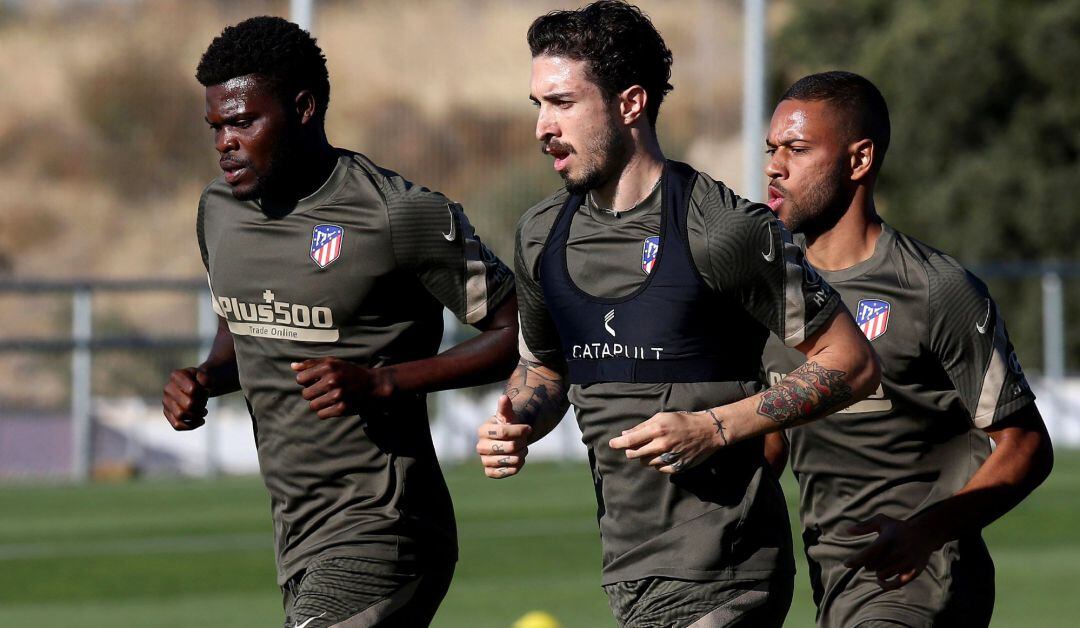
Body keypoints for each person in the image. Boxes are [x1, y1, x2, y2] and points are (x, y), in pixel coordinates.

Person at [474, 3, 880, 626]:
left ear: (630, 103)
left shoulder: (722, 230)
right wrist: (519, 418)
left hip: (730, 573)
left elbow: (852, 364)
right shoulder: (540, 234)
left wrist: (715, 427)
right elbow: (544, 369)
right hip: (628, 573)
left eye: (562, 103)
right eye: (538, 106)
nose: (542, 127)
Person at [161, 16, 518, 628]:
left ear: (303, 108)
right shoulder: (218, 212)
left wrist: (382, 383)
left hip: (387, 525)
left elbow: (519, 333)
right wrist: (206, 375)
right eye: (216, 126)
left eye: (245, 121)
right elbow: (243, 324)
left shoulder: (398, 213)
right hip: (296, 533)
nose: (225, 141)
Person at [761, 71, 1054, 628]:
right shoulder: (775, 290)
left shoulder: (934, 288)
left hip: (926, 581)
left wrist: (927, 530)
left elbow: (1025, 446)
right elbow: (774, 439)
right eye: (771, 149)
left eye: (796, 149)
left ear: (859, 159)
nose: (775, 166)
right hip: (839, 586)